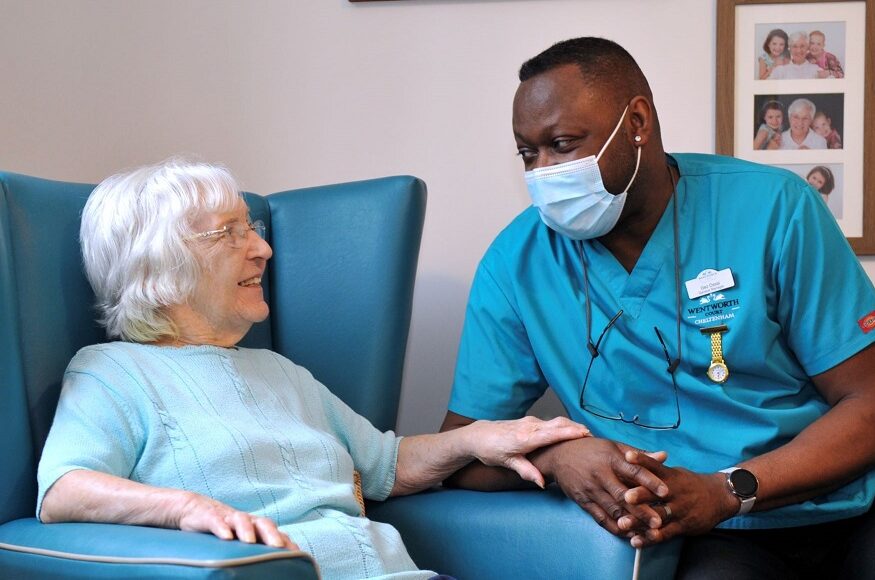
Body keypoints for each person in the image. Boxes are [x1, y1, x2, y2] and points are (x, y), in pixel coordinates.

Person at [441, 37, 875, 578]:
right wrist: (554, 460)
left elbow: (867, 401)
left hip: (838, 504)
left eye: (563, 143)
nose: (545, 172)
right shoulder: (517, 264)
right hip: (709, 538)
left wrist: (726, 489)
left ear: (637, 122)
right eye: (529, 155)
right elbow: (459, 449)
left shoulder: (773, 209)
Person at [36, 159, 592, 580]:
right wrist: (185, 508)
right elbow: (63, 489)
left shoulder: (280, 372)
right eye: (230, 232)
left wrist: (482, 438)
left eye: (250, 227)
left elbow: (386, 465)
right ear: (159, 264)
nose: (262, 249)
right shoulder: (114, 371)